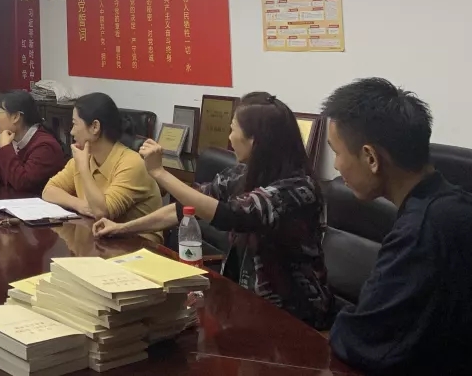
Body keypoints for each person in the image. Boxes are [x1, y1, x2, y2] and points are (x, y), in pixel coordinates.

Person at [92, 92, 333, 330]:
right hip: (243, 301)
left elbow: (230, 216)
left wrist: (159, 173)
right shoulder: (244, 173)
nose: (229, 138)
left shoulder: (298, 189)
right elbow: (184, 208)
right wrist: (122, 228)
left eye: (233, 130)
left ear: (254, 141)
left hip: (294, 316)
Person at [323, 78, 472, 374]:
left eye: (336, 152)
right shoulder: (450, 203)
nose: (336, 165)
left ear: (371, 158)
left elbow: (362, 340)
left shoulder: (421, 233)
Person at [41, 93, 162, 240]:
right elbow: (48, 191)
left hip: (139, 245)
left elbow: (101, 213)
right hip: (102, 238)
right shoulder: (84, 158)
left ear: (95, 127)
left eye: (75, 124)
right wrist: (79, 205)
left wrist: (84, 169)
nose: (71, 131)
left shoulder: (132, 164)